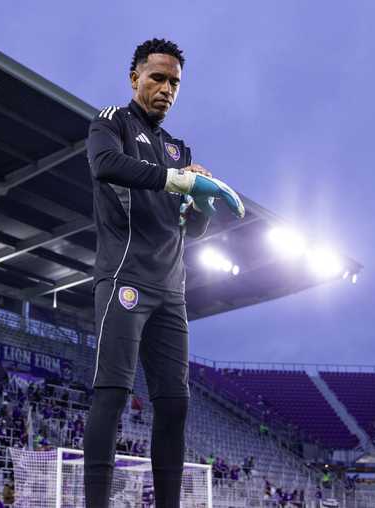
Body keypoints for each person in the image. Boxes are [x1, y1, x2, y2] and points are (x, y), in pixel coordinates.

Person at [83, 38, 244, 508]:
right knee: (112, 395)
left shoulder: (178, 148)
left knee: (174, 404)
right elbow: (103, 165)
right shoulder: (111, 121)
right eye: (157, 77)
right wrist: (178, 180)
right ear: (135, 77)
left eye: (174, 82)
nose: (166, 88)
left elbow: (190, 229)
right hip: (124, 279)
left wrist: (202, 201)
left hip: (171, 292)